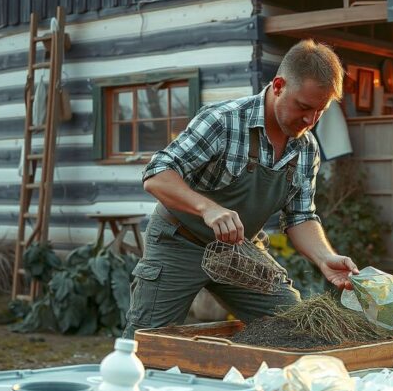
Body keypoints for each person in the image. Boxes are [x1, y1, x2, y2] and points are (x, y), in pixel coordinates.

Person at [122, 39, 359, 338]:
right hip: (178, 242)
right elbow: (156, 174)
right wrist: (207, 208)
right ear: (278, 86)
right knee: (145, 344)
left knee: (294, 329)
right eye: (304, 107)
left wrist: (324, 258)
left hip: (237, 251)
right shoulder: (223, 120)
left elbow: (300, 216)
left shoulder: (306, 148)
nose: (310, 120)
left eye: (320, 111)